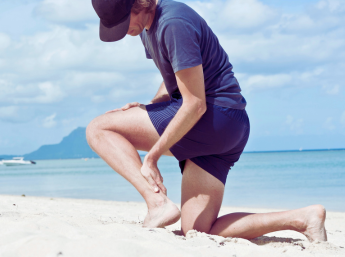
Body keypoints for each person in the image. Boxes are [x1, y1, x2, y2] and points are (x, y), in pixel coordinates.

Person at [88, 0, 327, 242]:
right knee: (196, 230)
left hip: (213, 117)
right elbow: (178, 72)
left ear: (139, 4)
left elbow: (195, 103)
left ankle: (156, 202)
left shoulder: (172, 22)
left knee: (99, 128)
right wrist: (152, 104)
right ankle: (302, 219)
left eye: (123, 22)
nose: (123, 32)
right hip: (229, 125)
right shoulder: (147, 25)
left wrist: (152, 156)